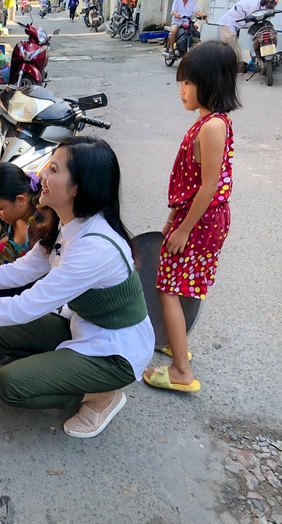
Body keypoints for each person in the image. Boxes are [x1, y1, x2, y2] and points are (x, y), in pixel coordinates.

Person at [0, 137, 155, 439]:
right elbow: (23, 269)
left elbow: (24, 306)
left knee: (11, 385)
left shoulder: (94, 248)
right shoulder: (68, 223)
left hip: (115, 351)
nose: (41, 176)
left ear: (77, 188)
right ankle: (63, 369)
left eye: (53, 169)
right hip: (82, 325)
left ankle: (101, 396)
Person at [143, 41, 240, 393]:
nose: (181, 89)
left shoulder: (212, 126)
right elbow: (193, 181)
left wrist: (183, 229)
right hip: (193, 217)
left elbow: (209, 187)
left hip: (200, 222)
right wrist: (173, 220)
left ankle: (181, 369)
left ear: (211, 84)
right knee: (183, 283)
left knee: (169, 288)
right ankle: (177, 341)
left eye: (188, 82)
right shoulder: (206, 121)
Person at [0, 163, 59, 300]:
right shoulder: (16, 215)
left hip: (33, 283)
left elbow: (31, 269)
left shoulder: (41, 225)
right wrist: (2, 241)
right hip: (18, 272)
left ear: (20, 200)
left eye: (0, 208)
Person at [217, 0, 279, 66]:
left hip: (237, 26)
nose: (274, 4)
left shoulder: (264, 5)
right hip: (228, 24)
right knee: (230, 50)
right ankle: (228, 70)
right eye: (273, 3)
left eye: (275, 2)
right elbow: (252, 23)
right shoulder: (254, 5)